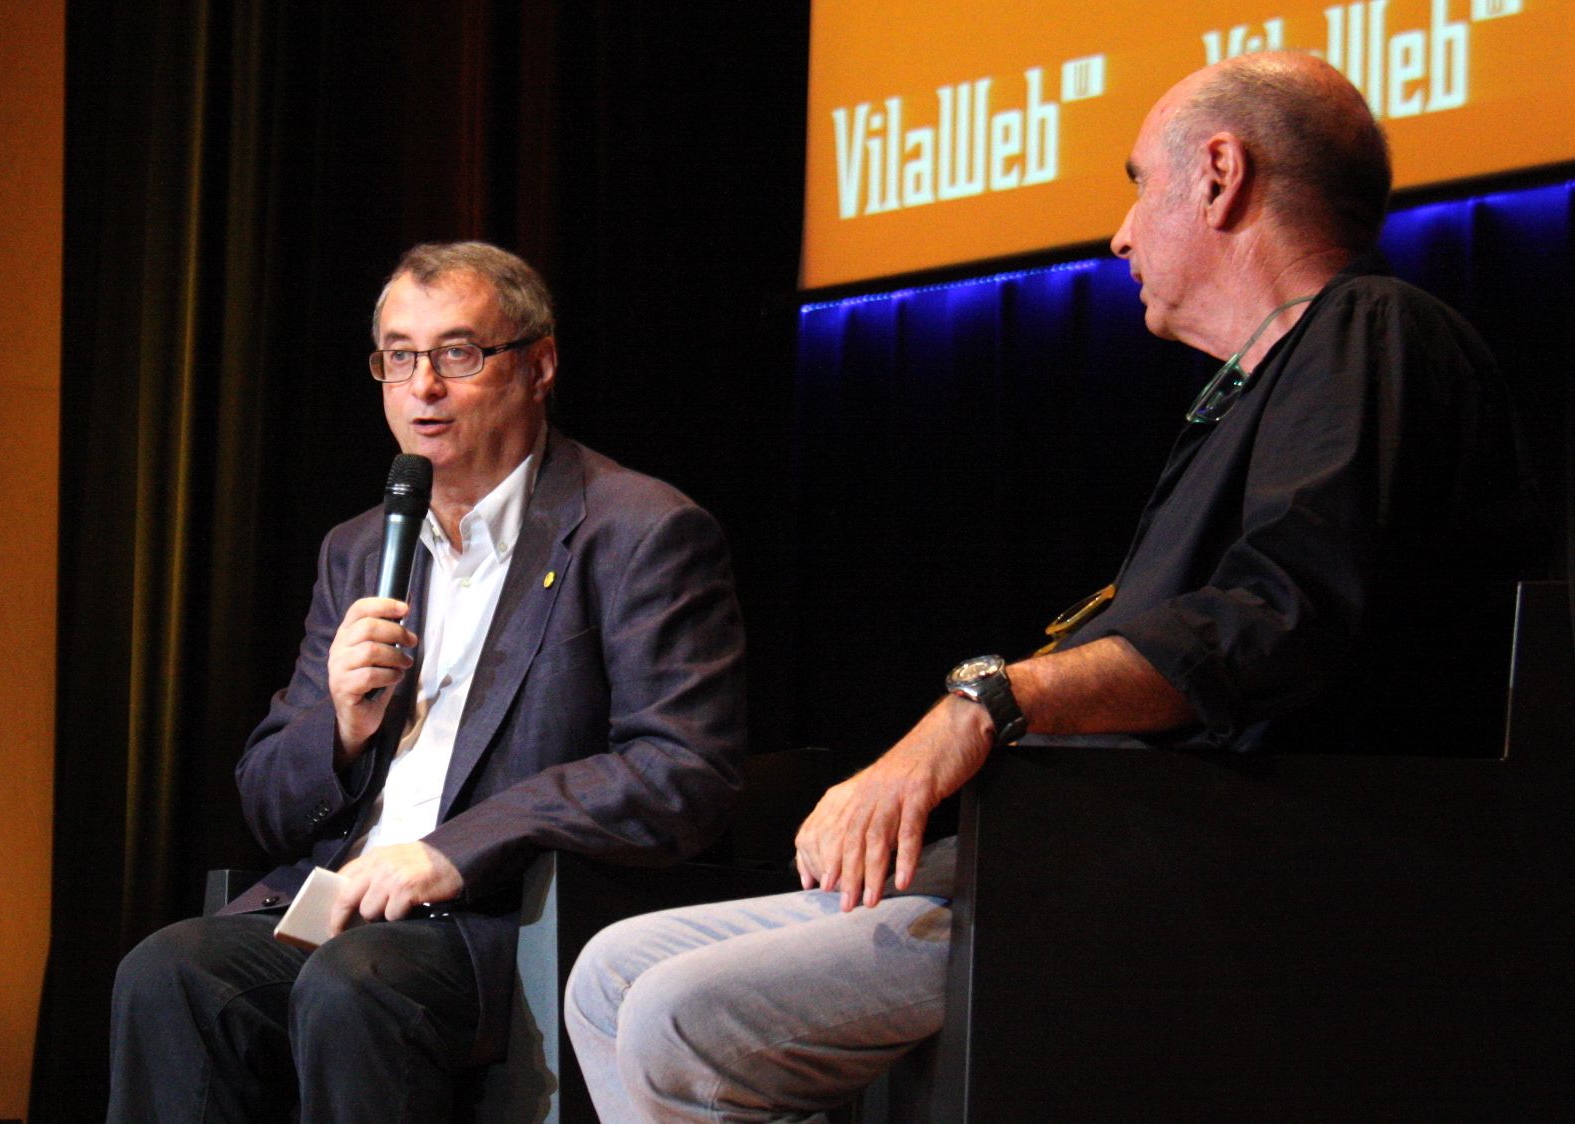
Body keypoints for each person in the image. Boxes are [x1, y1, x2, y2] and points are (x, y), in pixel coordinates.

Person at [564, 50, 1527, 1121]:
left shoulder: (1371, 330)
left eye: (1134, 183)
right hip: (1085, 843)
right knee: (610, 971)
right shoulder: (1253, 393)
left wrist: (982, 707)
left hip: (1229, 869)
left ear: (1217, 175)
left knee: (681, 1013)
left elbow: (1276, 618)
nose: (1118, 233)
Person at [107, 241, 747, 1122]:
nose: (423, 389)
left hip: (507, 922)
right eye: (398, 358)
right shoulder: (362, 547)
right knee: (169, 972)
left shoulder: (637, 532)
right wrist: (337, 726)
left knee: (354, 986)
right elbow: (267, 801)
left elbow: (679, 772)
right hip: (338, 908)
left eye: (457, 354)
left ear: (538, 365)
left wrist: (455, 850)